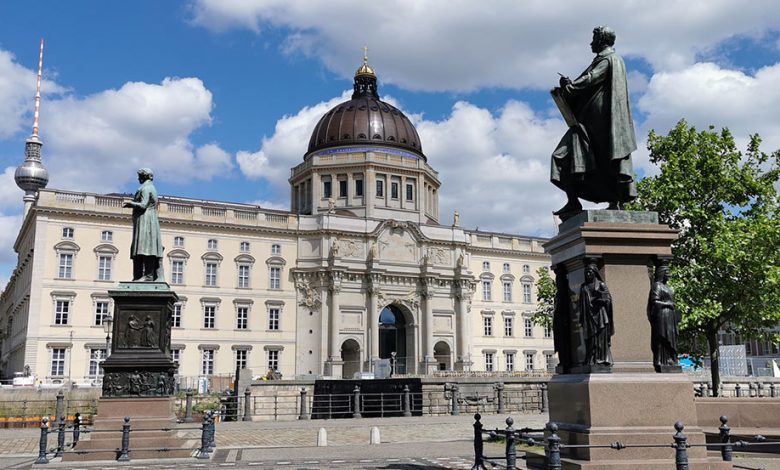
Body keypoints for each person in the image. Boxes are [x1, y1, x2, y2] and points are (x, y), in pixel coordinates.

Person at [551, 26, 637, 218]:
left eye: (593, 39)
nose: (591, 43)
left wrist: (571, 86)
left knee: (604, 160)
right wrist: (571, 87)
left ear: (601, 40)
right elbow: (588, 82)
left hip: (601, 124)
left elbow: (590, 80)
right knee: (564, 157)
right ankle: (573, 202)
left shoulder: (609, 59)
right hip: (587, 122)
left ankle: (615, 201)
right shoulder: (601, 60)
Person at [124, 168, 164, 281]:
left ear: (143, 177)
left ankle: (148, 276)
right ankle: (139, 276)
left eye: (139, 176)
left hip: (146, 219)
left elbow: (143, 204)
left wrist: (131, 204)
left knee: (146, 247)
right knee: (142, 247)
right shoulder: (150, 187)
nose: (138, 179)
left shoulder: (146, 188)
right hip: (145, 219)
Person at [579, 261, 614, 366]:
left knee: (600, 338)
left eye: (590, 272)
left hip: (600, 316)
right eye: (586, 272)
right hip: (589, 316)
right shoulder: (584, 287)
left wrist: (601, 300)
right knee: (590, 339)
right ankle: (591, 358)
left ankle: (601, 358)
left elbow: (608, 299)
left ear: (595, 272)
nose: (588, 274)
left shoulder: (601, 285)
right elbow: (581, 304)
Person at [647, 263, 681, 371]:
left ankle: (671, 359)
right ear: (662, 274)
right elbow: (655, 301)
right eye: (667, 273)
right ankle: (662, 360)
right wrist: (668, 304)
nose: (669, 275)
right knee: (664, 337)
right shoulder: (657, 285)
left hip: (670, 315)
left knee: (671, 336)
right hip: (663, 315)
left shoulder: (667, 287)